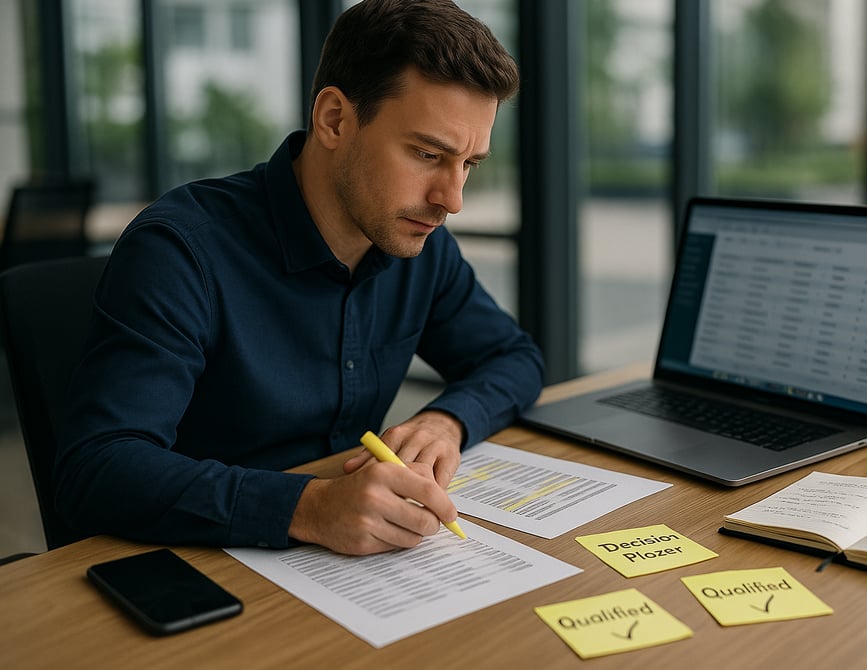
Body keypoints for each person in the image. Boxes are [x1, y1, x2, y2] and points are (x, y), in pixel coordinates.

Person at [54, 0, 543, 556]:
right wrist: (309, 507)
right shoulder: (179, 250)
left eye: (469, 165)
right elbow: (97, 468)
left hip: (353, 574)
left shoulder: (419, 245)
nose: (451, 200)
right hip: (202, 567)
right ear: (334, 119)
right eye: (428, 153)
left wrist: (447, 421)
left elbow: (515, 358)